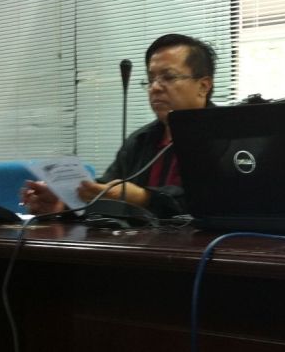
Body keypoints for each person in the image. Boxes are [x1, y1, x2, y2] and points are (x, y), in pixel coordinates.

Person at [22, 33, 215, 216]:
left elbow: (214, 203)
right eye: (150, 80)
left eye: (168, 77)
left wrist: (144, 198)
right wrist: (66, 203)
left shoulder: (227, 137)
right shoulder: (141, 139)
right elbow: (108, 190)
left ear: (203, 86)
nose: (155, 88)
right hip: (142, 246)